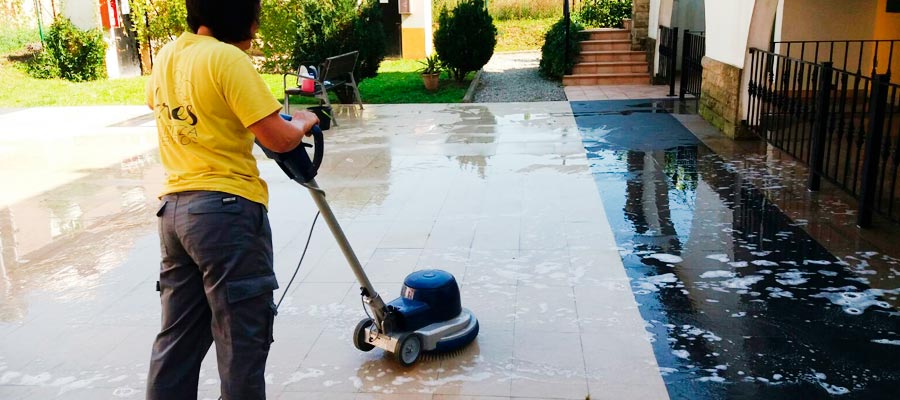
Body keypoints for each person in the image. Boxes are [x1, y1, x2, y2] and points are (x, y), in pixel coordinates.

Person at [144, 0, 319, 399]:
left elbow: (156, 103)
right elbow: (277, 135)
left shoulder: (168, 54)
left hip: (174, 213)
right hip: (225, 216)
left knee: (177, 342)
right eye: (254, 16)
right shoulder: (227, 59)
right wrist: (305, 120)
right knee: (241, 342)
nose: (256, 27)